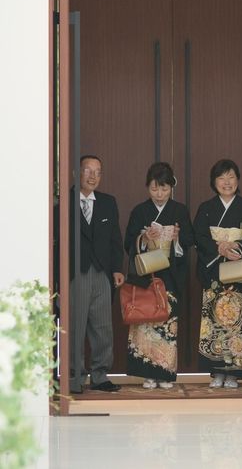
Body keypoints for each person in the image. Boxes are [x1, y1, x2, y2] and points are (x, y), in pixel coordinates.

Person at [193, 159, 242, 388]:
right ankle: (216, 372)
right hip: (214, 272)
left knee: (237, 323)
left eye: (231, 177)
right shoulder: (206, 208)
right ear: (214, 182)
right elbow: (198, 237)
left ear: (238, 180)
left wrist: (237, 246)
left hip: (238, 273)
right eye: (221, 178)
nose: (227, 182)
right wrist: (218, 248)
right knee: (214, 322)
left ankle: (234, 372)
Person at [124, 162, 194, 389]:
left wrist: (177, 238)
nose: (160, 194)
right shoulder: (139, 211)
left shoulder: (180, 210)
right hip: (146, 275)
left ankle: (164, 373)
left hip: (171, 275)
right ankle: (147, 374)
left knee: (166, 323)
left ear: (171, 187)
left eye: (164, 189)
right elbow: (128, 243)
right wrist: (144, 238)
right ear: (148, 187)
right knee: (146, 323)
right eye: (155, 189)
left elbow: (190, 240)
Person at [69, 155, 124, 394]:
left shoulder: (108, 202)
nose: (93, 176)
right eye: (88, 170)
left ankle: (100, 375)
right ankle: (75, 377)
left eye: (98, 172)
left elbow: (115, 239)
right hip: (75, 273)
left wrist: (117, 268)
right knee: (75, 326)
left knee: (103, 327)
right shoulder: (63, 202)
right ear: (76, 173)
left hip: (102, 272)